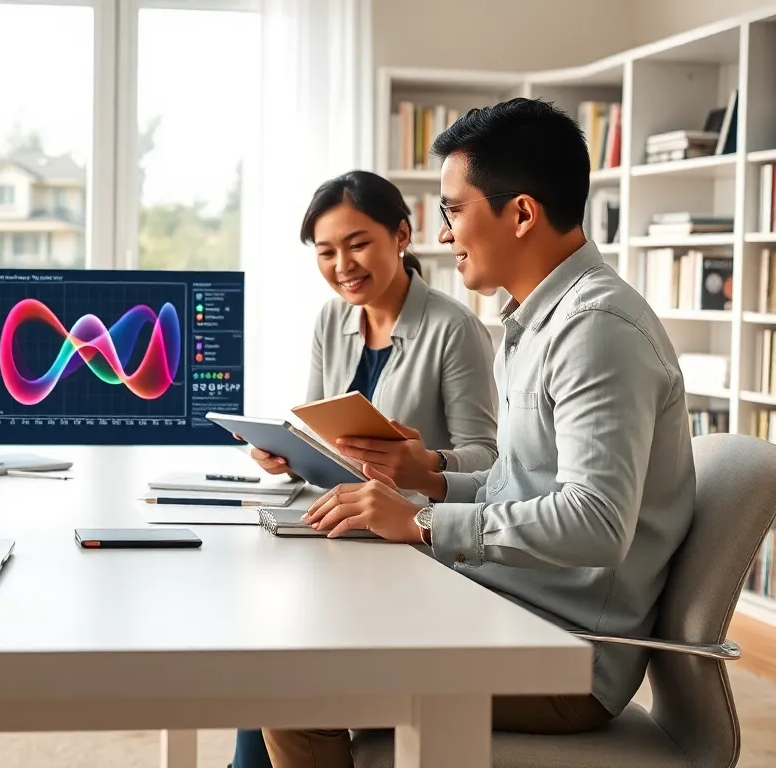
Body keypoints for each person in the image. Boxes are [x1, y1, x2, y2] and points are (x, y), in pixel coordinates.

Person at [260, 98, 697, 767]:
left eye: (454, 211)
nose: (443, 236)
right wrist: (430, 479)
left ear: (520, 213)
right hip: (506, 605)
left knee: (294, 690)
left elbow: (596, 523)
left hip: (564, 654)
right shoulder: (535, 324)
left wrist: (426, 521)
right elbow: (518, 480)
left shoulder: (597, 331)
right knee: (297, 637)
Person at [233, 171, 500, 768]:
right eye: (326, 252)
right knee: (260, 642)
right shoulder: (331, 320)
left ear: (401, 234)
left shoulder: (455, 330)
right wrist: (282, 450)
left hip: (410, 546)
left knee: (281, 659)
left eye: (357, 244)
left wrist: (427, 461)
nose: (342, 264)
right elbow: (311, 424)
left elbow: (488, 458)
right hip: (337, 528)